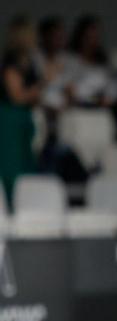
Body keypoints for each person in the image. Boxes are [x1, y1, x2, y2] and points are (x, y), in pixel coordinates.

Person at [0, 16, 42, 207]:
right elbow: (17, 97)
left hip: (24, 122)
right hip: (10, 123)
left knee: (27, 170)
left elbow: (31, 97)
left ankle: (26, 210)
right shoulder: (11, 64)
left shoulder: (29, 62)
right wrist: (44, 82)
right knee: (13, 171)